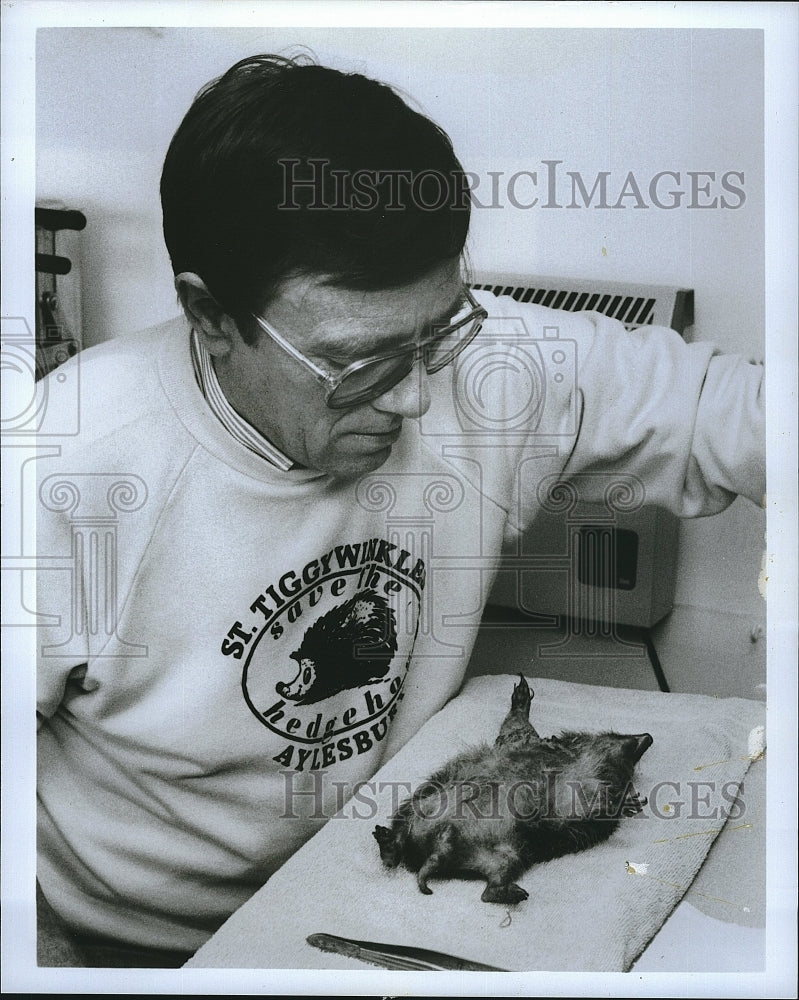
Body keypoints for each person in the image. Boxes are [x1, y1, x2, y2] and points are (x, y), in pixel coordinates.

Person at [35, 53, 765, 967]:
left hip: (395, 883)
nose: (417, 398)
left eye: (438, 333)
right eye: (358, 364)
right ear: (210, 315)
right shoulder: (58, 466)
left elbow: (734, 413)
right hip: (140, 949)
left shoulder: (489, 364)